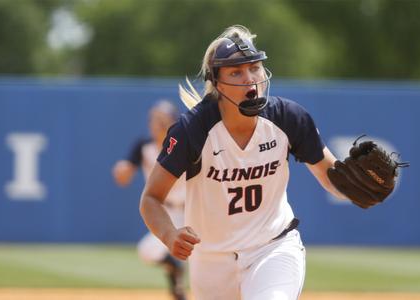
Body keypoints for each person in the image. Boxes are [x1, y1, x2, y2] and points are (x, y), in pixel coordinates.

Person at [139, 25, 349, 299]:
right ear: (217, 83)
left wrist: (356, 185)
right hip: (211, 258)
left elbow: (331, 175)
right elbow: (151, 198)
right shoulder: (193, 130)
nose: (249, 78)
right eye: (236, 72)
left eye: (255, 68)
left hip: (272, 247)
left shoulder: (288, 118)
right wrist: (168, 234)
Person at [112, 100, 187, 300]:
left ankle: (178, 284)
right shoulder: (144, 146)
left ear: (173, 122)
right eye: (154, 120)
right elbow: (125, 171)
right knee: (147, 251)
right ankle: (175, 271)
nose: (157, 124)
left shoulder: (184, 144)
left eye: (162, 120)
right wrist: (123, 169)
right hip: (167, 212)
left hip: (193, 210)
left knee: (208, 260)